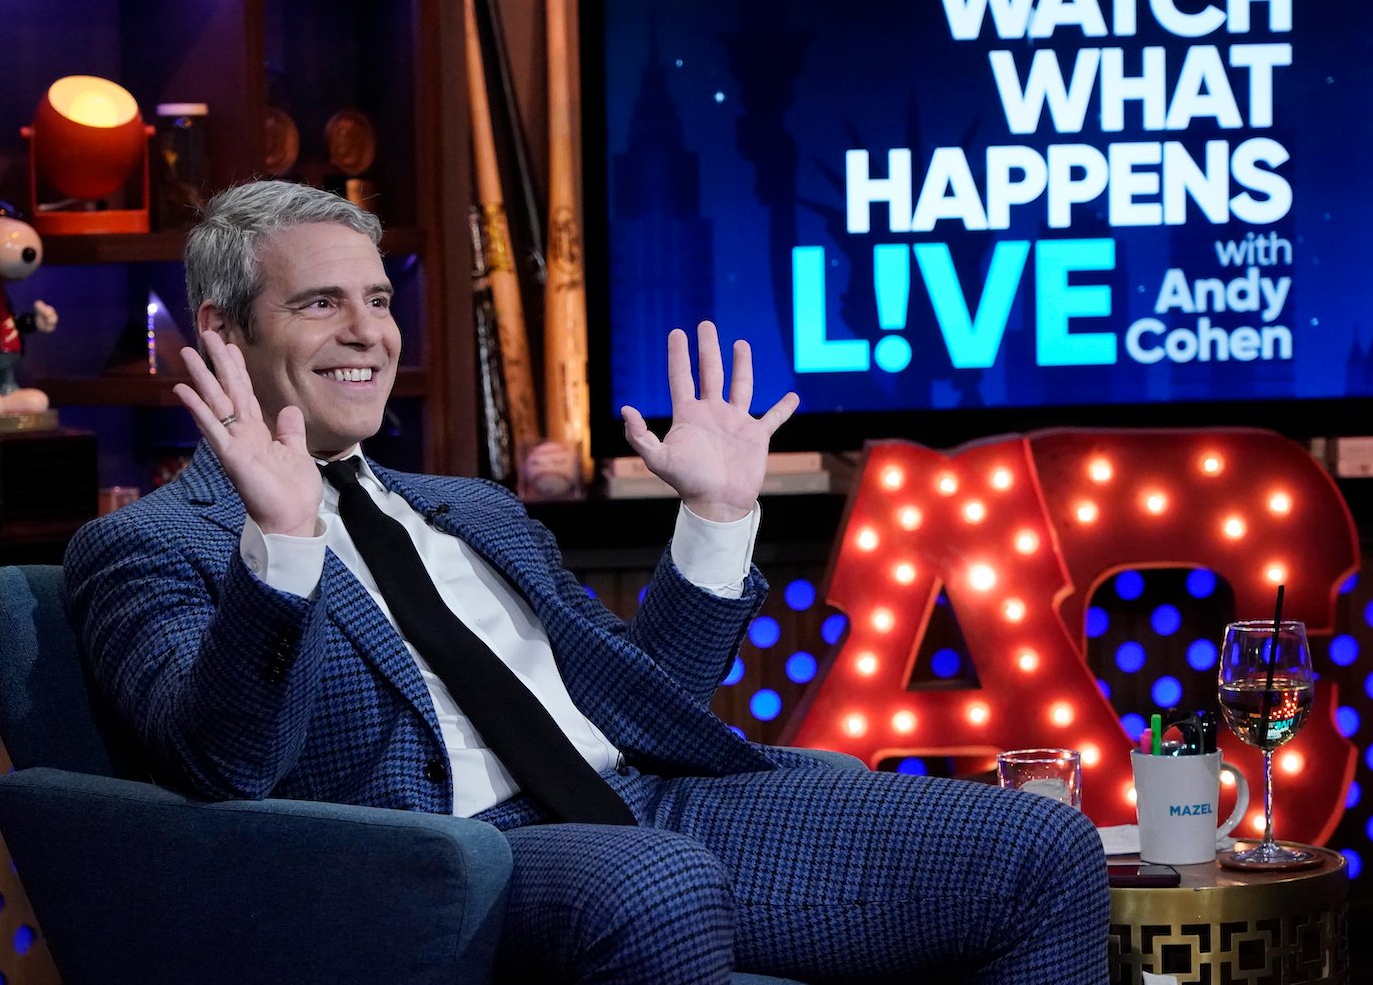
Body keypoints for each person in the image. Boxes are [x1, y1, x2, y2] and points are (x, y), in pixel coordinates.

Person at [65, 179, 1109, 984]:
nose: (367, 332)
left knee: (1040, 844)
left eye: (378, 301)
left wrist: (713, 518)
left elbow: (644, 698)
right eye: (320, 303)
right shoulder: (155, 544)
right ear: (220, 330)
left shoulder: (467, 506)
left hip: (652, 805)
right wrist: (283, 541)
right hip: (452, 864)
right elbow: (223, 763)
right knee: (657, 883)